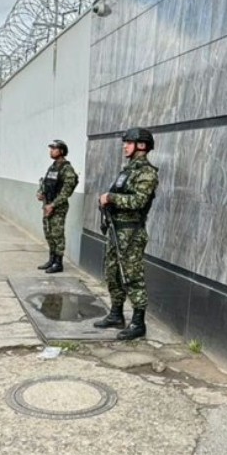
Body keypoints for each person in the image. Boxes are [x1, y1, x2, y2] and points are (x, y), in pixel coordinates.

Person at [93, 127, 159, 340]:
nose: (125, 146)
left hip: (131, 233)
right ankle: (116, 314)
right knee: (112, 273)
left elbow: (138, 201)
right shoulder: (127, 171)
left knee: (132, 276)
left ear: (141, 145)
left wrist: (111, 198)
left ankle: (138, 323)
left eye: (129, 142)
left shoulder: (147, 173)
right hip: (116, 230)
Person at [35, 139, 79, 273]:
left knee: (57, 234)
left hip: (58, 207)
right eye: (51, 148)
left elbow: (66, 192)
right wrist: (41, 193)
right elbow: (46, 183)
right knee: (49, 233)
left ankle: (58, 263)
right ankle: (52, 259)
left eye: (54, 149)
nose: (51, 151)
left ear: (62, 151)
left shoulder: (67, 169)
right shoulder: (53, 167)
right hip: (47, 204)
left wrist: (53, 205)